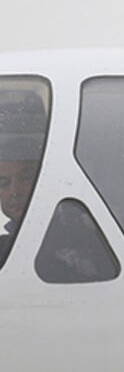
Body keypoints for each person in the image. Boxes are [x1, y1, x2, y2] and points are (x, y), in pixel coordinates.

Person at [0, 90, 47, 266]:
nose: (15, 192)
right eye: (3, 183)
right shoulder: (4, 249)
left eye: (26, 179)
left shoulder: (78, 240)